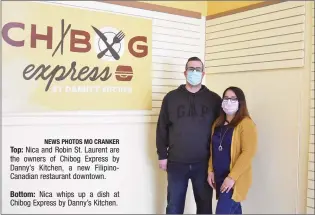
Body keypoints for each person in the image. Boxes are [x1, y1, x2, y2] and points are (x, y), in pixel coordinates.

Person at [156, 56, 221, 214]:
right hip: (176, 162)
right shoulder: (171, 98)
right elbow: (162, 127)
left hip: (204, 164)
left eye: (198, 70)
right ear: (185, 73)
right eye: (191, 69)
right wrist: (162, 155)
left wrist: (217, 161)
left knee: (205, 207)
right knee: (174, 207)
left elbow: (220, 131)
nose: (194, 72)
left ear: (203, 74)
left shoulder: (214, 99)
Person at [207, 86, 258, 214]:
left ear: (240, 102)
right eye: (226, 98)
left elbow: (248, 153)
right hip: (219, 176)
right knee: (234, 210)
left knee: (222, 211)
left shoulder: (246, 123)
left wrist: (232, 177)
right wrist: (210, 170)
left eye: (233, 99)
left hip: (234, 179)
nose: (229, 101)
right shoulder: (217, 124)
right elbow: (213, 150)